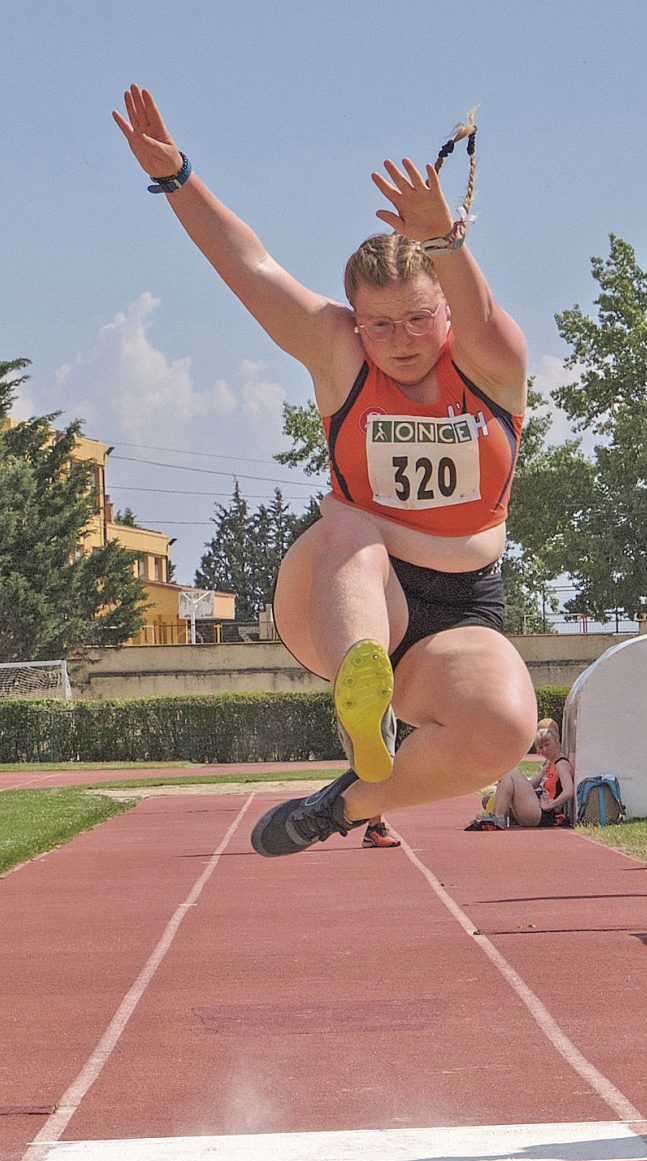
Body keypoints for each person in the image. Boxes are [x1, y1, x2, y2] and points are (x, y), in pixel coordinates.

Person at [114, 86, 537, 857]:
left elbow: (478, 311)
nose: (401, 340)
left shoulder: (491, 364)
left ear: (445, 308)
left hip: (460, 608)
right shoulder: (338, 353)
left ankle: (342, 805)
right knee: (350, 524)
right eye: (378, 324)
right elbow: (249, 265)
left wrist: (444, 237)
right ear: (354, 320)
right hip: (340, 589)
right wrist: (178, 180)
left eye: (416, 318)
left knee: (505, 727)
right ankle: (361, 697)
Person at [468, 718, 571, 827]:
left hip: (543, 813)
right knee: (507, 773)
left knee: (511, 770)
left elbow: (569, 791)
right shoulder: (549, 764)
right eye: (541, 747)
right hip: (534, 808)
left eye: (547, 744)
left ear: (557, 742)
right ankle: (494, 816)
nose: (544, 750)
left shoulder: (561, 764)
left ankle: (498, 817)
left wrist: (550, 806)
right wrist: (506, 787)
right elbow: (531, 784)